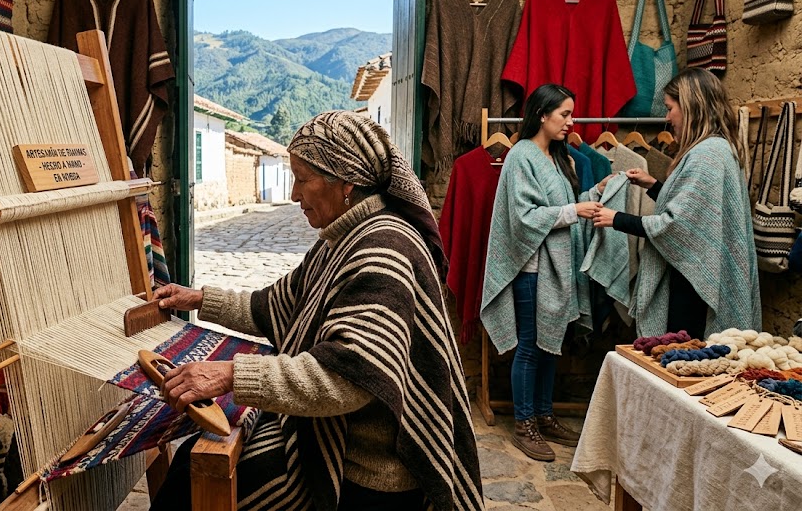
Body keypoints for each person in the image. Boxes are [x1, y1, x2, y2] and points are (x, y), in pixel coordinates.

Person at [150, 111, 484, 511]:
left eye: (302, 179)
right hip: (340, 440)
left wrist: (230, 374)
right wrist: (199, 299)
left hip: (369, 471)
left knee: (195, 481)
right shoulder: (341, 239)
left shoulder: (383, 250)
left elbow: (348, 376)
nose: (293, 195)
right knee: (190, 467)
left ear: (345, 182)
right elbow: (274, 306)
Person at [480, 84, 606, 463]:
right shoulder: (521, 155)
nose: (571, 122)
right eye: (564, 114)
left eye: (571, 114)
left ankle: (545, 414)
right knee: (532, 347)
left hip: (558, 267)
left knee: (552, 347)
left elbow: (562, 205)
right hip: (532, 268)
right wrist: (574, 212)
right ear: (542, 114)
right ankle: (524, 424)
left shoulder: (559, 156)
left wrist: (596, 192)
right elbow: (523, 218)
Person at [591, 68, 761, 339]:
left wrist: (617, 219)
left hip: (695, 285)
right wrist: (655, 186)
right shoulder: (716, 148)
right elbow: (698, 214)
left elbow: (677, 226)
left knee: (681, 361)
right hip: (696, 275)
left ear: (692, 107)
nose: (667, 117)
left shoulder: (706, 155)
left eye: (670, 108)